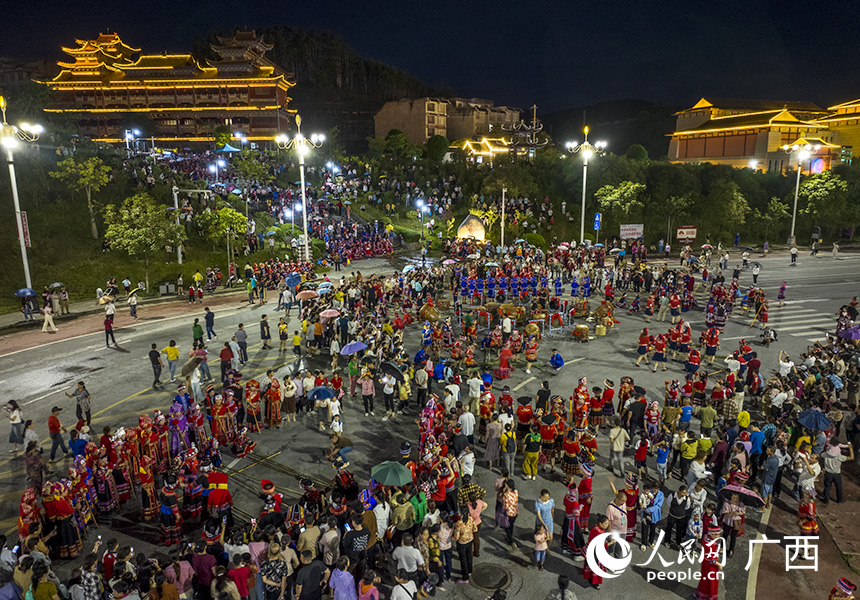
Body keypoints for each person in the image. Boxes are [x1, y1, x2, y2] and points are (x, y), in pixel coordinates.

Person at [583, 514, 611, 590]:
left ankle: (589, 577)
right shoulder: (598, 532)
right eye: (605, 524)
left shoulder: (597, 528)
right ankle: (595, 582)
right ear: (600, 523)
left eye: (607, 523)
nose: (606, 525)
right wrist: (610, 543)